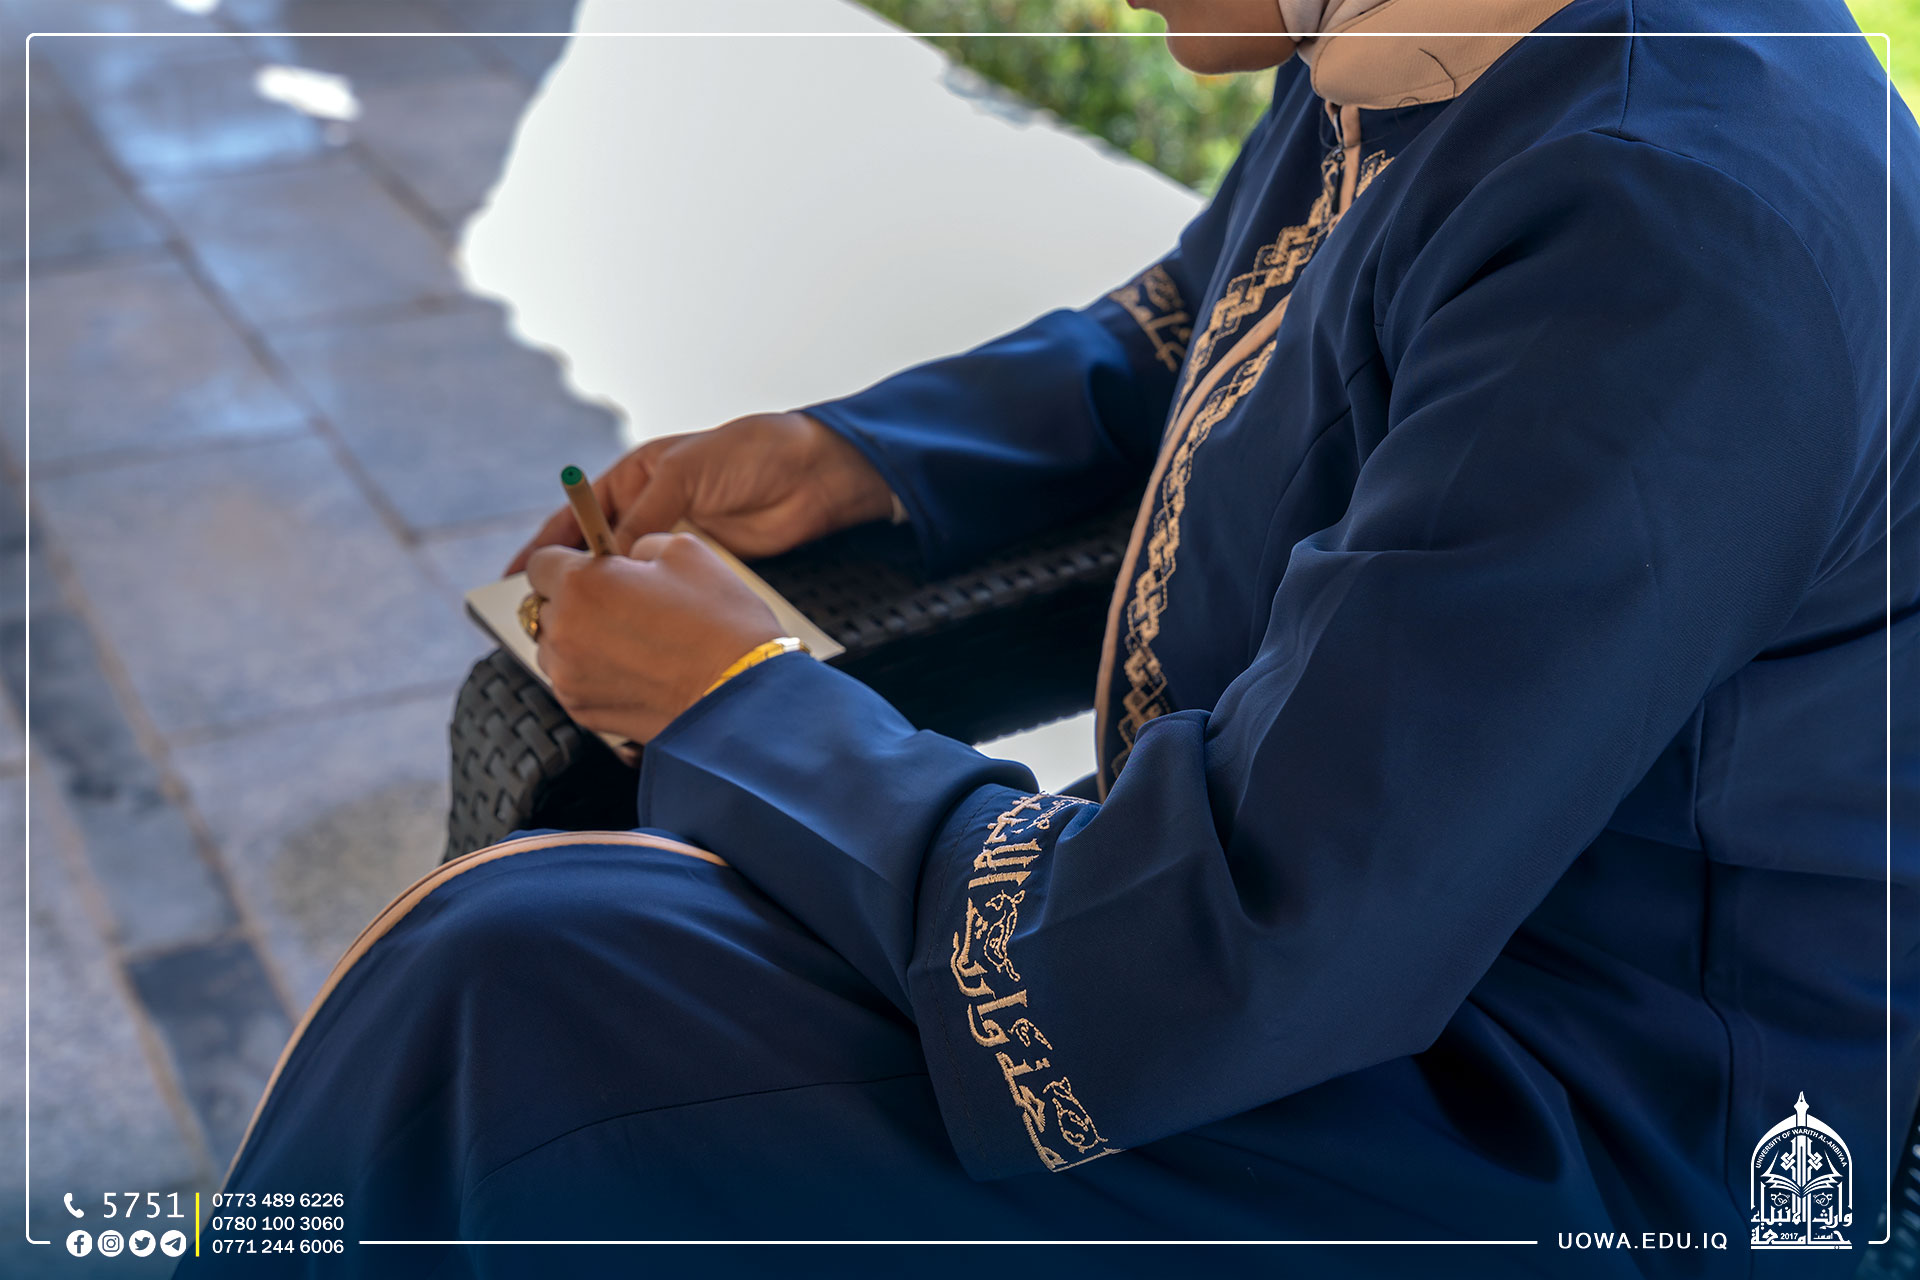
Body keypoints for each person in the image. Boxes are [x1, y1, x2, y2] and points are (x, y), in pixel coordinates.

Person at [189, 0, 1918, 1275]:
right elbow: (1195, 331)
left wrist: (735, 705)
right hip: (1351, 974)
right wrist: (858, 457)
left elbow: (1245, 943)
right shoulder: (1445, 45)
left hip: (1570, 1139)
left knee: (521, 986)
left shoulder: (1665, 226)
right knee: (541, 970)